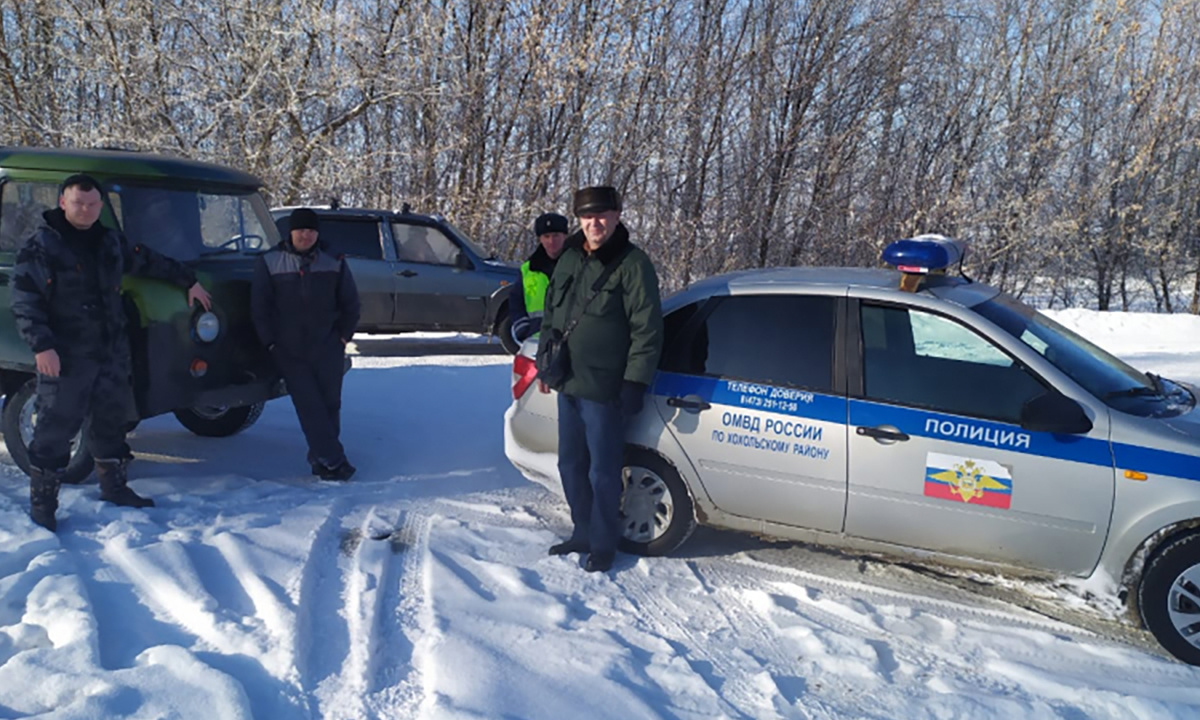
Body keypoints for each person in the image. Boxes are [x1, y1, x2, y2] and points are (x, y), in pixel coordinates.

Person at [12, 173, 213, 531]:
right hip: (67, 354)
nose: (86, 210)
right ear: (62, 202)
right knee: (55, 428)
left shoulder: (109, 242)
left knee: (111, 420)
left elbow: (147, 259)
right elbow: (26, 300)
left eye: (92, 204)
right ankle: (43, 505)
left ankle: (114, 487)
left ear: (101, 206)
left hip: (110, 351)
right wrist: (42, 346)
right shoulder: (43, 245)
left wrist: (188, 280)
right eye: (78, 203)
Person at [538, 186, 664, 572]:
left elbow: (648, 329)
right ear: (578, 219)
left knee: (603, 472)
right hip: (568, 383)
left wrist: (634, 382)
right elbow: (552, 315)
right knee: (570, 464)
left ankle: (604, 543)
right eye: (588, 217)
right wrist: (546, 364)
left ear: (617, 216)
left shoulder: (632, 264)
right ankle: (582, 530)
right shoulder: (570, 257)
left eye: (603, 216)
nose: (595, 223)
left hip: (604, 389)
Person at [252, 208, 360, 481]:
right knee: (309, 405)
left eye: (311, 231)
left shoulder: (334, 261)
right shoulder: (270, 261)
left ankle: (320, 460)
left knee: (329, 405)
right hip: (289, 349)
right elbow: (259, 307)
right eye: (301, 230)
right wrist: (271, 343)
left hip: (327, 346)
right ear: (290, 232)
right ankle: (335, 460)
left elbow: (351, 303)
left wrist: (343, 336)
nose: (306, 235)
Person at [509, 212, 568, 344]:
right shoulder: (527, 269)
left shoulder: (579, 265)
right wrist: (521, 325)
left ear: (565, 236)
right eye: (546, 236)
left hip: (572, 340)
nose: (551, 241)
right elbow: (515, 301)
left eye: (556, 235)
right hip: (536, 341)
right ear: (540, 238)